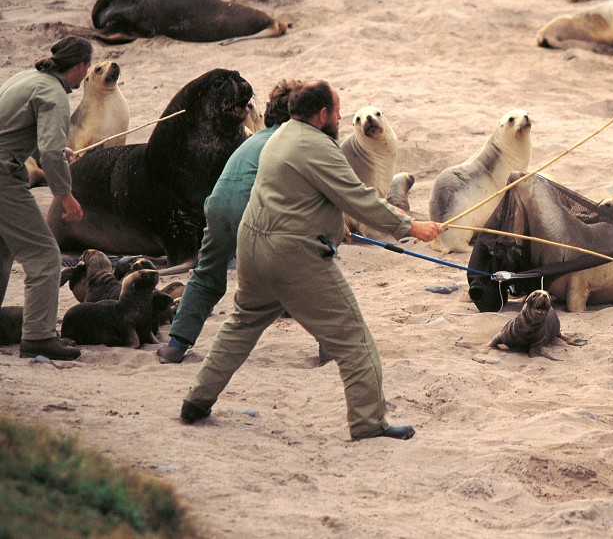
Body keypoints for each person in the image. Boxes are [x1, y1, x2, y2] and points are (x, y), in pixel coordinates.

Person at [180, 80, 443, 440]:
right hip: (292, 257)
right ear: (322, 115)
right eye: (336, 111)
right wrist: (412, 227)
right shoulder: (318, 146)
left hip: (253, 249)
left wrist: (336, 228)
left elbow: (305, 195)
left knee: (241, 325)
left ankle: (196, 399)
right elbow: (358, 198)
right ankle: (369, 422)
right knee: (354, 339)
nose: (339, 117)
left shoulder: (281, 135)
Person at [156, 79, 301, 364]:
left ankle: (176, 343)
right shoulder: (292, 139)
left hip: (218, 208)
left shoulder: (252, 140)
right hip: (252, 209)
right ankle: (329, 345)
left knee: (207, 274)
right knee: (311, 270)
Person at [0, 36, 92, 360]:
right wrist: (66, 198)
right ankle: (38, 337)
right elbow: (52, 157)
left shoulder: (28, 78)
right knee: (44, 256)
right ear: (80, 67)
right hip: (3, 179)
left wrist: (52, 150)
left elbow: (23, 133)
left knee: (3, 248)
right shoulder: (54, 94)